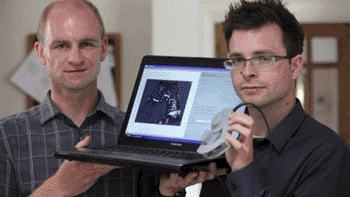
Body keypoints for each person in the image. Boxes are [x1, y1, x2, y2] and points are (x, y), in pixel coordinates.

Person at [0, 0, 213, 196]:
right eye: (62, 46)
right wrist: (60, 187)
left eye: (86, 44)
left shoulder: (136, 134)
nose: (75, 58)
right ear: (40, 52)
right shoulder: (7, 137)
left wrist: (167, 190)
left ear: (103, 48)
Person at [146, 0, 350, 196]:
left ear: (295, 66)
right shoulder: (222, 138)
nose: (247, 71)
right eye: (237, 60)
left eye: (264, 58)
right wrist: (169, 191)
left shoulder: (328, 153)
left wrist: (243, 171)